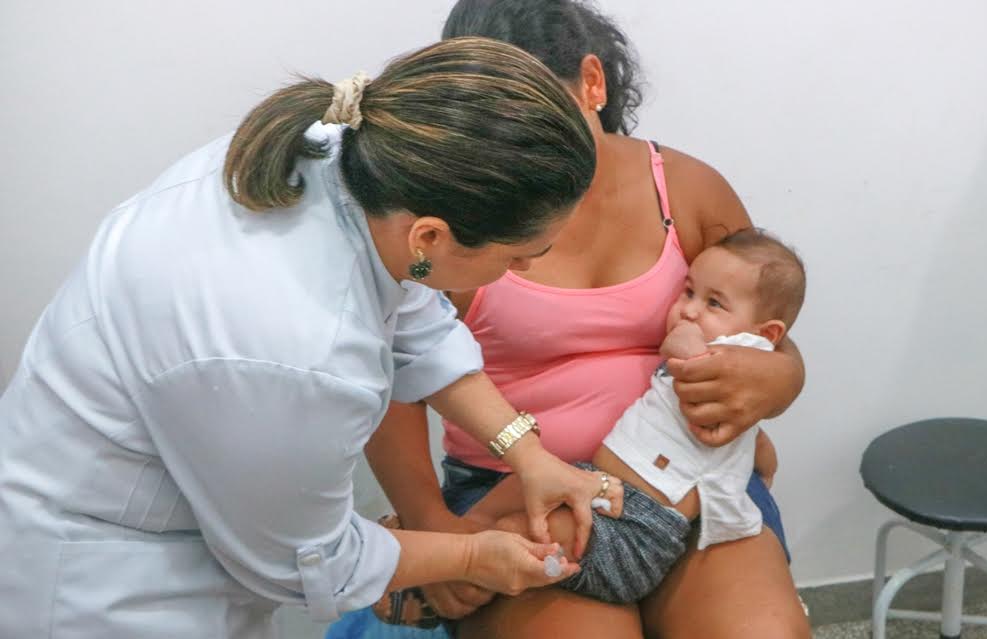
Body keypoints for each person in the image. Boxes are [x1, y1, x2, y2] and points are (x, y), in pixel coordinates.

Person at [0, 37, 617, 638]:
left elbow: (414, 317)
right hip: (105, 585)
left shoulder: (350, 158)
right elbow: (312, 562)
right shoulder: (298, 352)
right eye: (518, 256)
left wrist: (527, 455)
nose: (527, 268)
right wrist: (473, 556)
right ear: (430, 237)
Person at [355, 1, 812, 638]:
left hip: (691, 482)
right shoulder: (456, 215)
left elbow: (765, 327)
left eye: (543, 122)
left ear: (592, 84)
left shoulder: (689, 191)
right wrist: (433, 525)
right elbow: (394, 370)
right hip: (513, 489)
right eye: (503, 137)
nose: (529, 161)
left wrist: (783, 379)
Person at [459, 228, 807, 605]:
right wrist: (762, 458)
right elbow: (751, 437)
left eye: (714, 304)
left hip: (638, 529)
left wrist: (688, 341)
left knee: (523, 533)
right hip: (595, 483)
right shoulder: (721, 360)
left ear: (766, 333)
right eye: (689, 291)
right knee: (522, 486)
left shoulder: (741, 349)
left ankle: (461, 579)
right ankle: (462, 533)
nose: (689, 310)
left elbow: (686, 354)